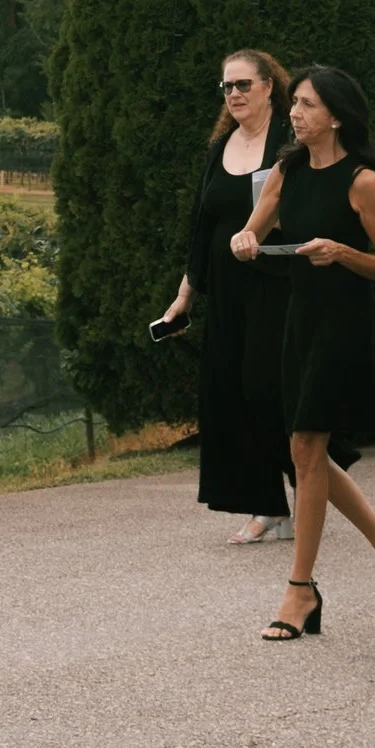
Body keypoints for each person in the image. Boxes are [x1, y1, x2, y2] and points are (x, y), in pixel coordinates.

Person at [233, 65, 375, 641]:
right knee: (306, 451)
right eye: (294, 104)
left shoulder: (362, 180)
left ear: (336, 115)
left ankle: (300, 591)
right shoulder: (287, 171)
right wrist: (244, 241)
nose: (295, 113)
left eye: (308, 105)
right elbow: (251, 232)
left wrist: (342, 251)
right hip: (298, 323)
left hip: (342, 326)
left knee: (305, 446)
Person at [153, 49, 292, 542]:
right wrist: (184, 296)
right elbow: (202, 226)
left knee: (268, 391)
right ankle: (267, 506)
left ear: (269, 86)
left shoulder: (289, 142)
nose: (233, 94)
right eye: (227, 87)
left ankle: (312, 481)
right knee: (231, 395)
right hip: (227, 293)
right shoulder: (221, 146)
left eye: (243, 85)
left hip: (278, 288)